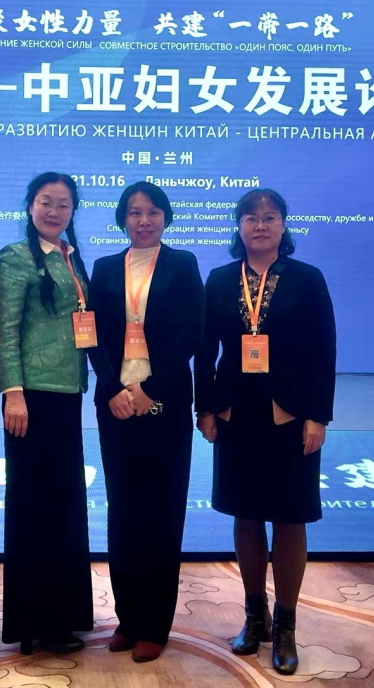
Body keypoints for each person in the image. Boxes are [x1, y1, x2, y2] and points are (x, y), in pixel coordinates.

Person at [194, 188, 336, 676]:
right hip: (236, 412)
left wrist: (318, 415)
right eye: (251, 218)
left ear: (283, 225)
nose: (260, 225)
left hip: (292, 414)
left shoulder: (307, 279)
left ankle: (286, 626)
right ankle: (255, 617)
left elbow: (323, 350)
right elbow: (204, 351)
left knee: (291, 517)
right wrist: (205, 408)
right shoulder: (219, 280)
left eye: (270, 217)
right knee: (246, 514)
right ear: (239, 226)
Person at [88, 181, 204, 663]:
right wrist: (113, 388)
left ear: (166, 218)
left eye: (153, 212)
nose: (144, 221)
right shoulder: (103, 268)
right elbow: (91, 334)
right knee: (123, 510)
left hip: (165, 401)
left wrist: (150, 388)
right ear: (122, 219)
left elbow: (192, 333)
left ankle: (155, 625)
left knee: (162, 510)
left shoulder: (183, 264)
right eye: (135, 212)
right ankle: (128, 618)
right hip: (116, 403)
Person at [0, 172, 94, 655]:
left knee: (64, 505)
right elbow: (6, 330)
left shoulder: (71, 257)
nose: (54, 212)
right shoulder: (14, 258)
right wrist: (12, 393)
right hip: (30, 399)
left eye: (63, 204)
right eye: (45, 202)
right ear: (30, 206)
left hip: (67, 394)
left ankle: (64, 618)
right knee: (33, 506)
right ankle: (31, 623)